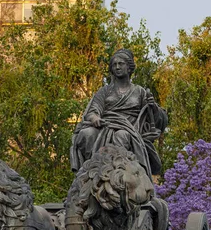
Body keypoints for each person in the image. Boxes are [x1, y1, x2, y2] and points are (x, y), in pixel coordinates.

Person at [70, 49, 167, 178]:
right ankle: (92, 172)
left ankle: (117, 175)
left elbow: (159, 120)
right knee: (86, 134)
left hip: (129, 129)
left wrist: (153, 107)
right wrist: (95, 118)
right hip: (105, 126)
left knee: (121, 136)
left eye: (121, 64)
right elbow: (93, 111)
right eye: (114, 64)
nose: (117, 67)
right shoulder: (105, 91)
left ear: (129, 67)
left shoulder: (139, 92)